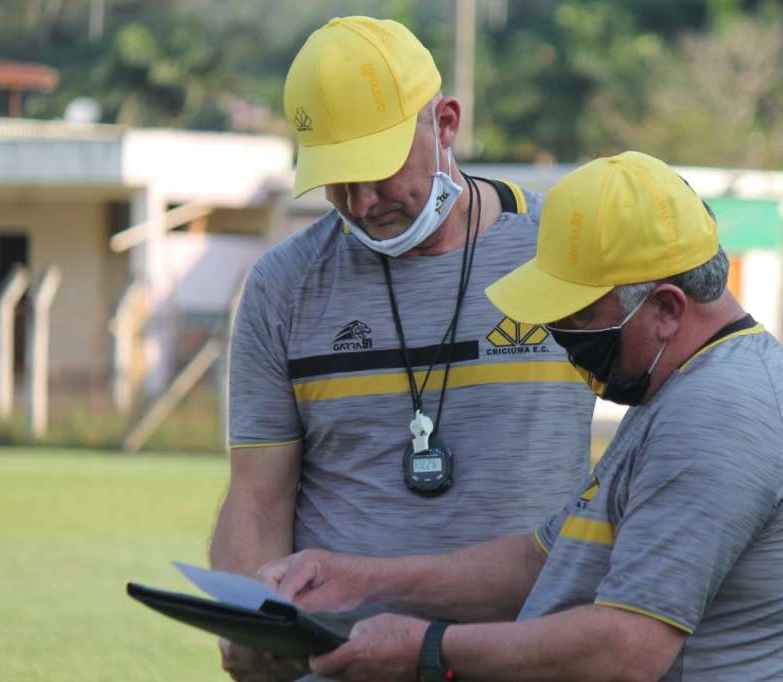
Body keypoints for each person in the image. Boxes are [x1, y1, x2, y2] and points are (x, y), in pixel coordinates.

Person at [258, 151, 783, 681]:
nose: (560, 335)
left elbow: (625, 651)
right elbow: (542, 560)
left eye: (580, 314)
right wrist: (355, 579)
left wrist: (426, 648)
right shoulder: (684, 388)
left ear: (668, 308)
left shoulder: (716, 416)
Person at [209, 15, 595, 681]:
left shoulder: (561, 253)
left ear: (445, 123)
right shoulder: (283, 286)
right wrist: (251, 615)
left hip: (530, 659)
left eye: (377, 169)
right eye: (335, 179)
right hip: (344, 665)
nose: (360, 201)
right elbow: (257, 496)